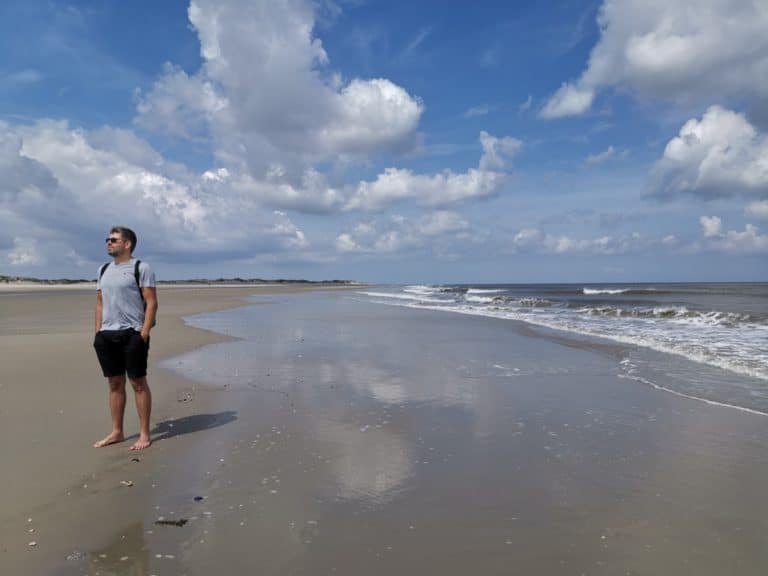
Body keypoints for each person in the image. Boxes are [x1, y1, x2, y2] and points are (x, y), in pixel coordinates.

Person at [93, 227, 158, 450]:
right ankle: (117, 432)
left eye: (114, 240)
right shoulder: (103, 269)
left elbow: (151, 301)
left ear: (127, 243)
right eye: (107, 240)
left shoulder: (141, 267)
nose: (108, 243)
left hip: (133, 333)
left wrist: (144, 332)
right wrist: (97, 332)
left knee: (138, 383)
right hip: (107, 335)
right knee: (114, 383)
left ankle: (144, 434)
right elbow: (100, 302)